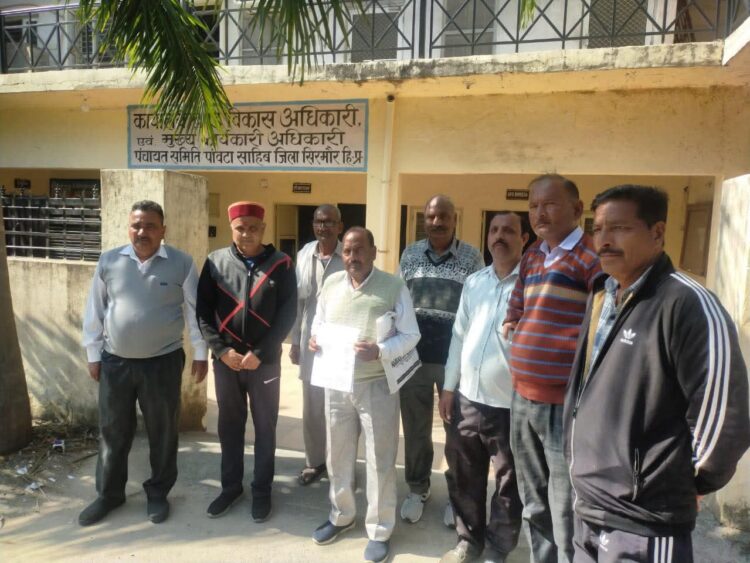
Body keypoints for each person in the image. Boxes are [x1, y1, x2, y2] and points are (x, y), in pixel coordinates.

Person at [564, 185, 750, 562]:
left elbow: (725, 419)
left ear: (658, 232)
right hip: (590, 506)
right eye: (598, 229)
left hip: (643, 524)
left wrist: (687, 484)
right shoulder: (602, 295)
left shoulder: (687, 303)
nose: (604, 239)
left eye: (620, 228)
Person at [79, 200, 208, 526]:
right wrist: (93, 354)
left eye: (150, 226)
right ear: (128, 228)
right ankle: (109, 495)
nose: (142, 232)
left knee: (163, 432)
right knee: (113, 431)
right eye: (136, 225)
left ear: (163, 230)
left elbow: (195, 311)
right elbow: (95, 310)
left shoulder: (181, 263)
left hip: (162, 363)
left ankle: (158, 493)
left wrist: (200, 353)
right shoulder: (109, 261)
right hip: (115, 363)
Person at [502, 174, 601, 563]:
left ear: (577, 209)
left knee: (563, 505)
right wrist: (512, 321)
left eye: (549, 204)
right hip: (521, 397)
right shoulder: (533, 255)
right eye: (533, 206)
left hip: (563, 404)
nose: (539, 213)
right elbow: (518, 302)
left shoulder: (591, 258)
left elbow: (603, 325)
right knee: (533, 499)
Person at [309, 227, 420, 563]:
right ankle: (342, 515)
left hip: (377, 386)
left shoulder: (393, 286)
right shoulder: (331, 284)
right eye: (347, 251)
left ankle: (380, 529)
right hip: (336, 383)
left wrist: (380, 351)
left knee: (380, 459)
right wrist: (315, 339)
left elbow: (411, 335)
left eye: (359, 250)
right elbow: (318, 322)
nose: (352, 257)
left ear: (373, 251)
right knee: (337, 455)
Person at [196, 201, 297, 523]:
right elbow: (203, 313)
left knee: (265, 427)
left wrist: (262, 353)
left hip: (264, 364)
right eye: (240, 228)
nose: (247, 234)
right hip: (227, 362)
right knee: (229, 426)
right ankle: (230, 488)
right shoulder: (215, 262)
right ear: (232, 228)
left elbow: (287, 314)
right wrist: (221, 351)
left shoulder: (281, 264)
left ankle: (262, 491)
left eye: (253, 228)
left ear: (263, 229)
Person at [439, 212, 529, 563]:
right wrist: (449, 388)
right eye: (494, 230)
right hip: (468, 399)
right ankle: (468, 541)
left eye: (508, 230)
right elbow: (458, 336)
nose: (499, 236)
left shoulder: (532, 285)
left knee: (509, 483)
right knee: (464, 474)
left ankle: (498, 548)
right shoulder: (475, 282)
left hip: (511, 405)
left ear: (524, 238)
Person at [398, 194, 484, 525]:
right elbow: (399, 302)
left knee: (457, 432)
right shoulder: (410, 254)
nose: (437, 222)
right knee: (416, 429)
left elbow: (477, 309)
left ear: (454, 219)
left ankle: (456, 495)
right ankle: (417, 488)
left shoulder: (471, 257)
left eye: (443, 216)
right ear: (425, 219)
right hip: (414, 360)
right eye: (431, 216)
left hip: (454, 362)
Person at [289, 204, 345, 486]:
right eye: (319, 221)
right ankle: (314, 462)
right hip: (310, 341)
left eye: (329, 222)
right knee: (312, 406)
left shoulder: (348, 254)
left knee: (340, 406)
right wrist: (294, 341)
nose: (323, 227)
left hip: (341, 342)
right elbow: (298, 302)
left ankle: (341, 463)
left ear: (340, 226)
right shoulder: (304, 255)